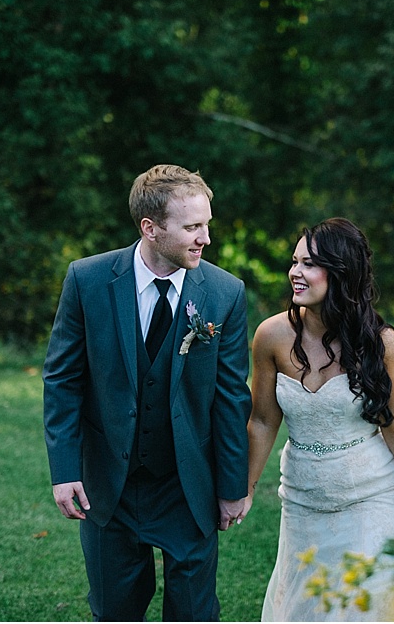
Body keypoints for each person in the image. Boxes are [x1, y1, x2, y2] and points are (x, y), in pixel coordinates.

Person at [42, 164, 252, 621]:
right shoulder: (88, 280)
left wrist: (233, 486)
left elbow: (233, 398)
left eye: (207, 225)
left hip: (187, 484)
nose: (205, 239)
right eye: (193, 227)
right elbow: (62, 380)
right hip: (108, 486)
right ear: (150, 228)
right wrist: (64, 470)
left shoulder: (225, 293)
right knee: (114, 611)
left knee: (195, 613)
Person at [243, 217, 394, 621]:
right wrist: (245, 489)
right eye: (294, 261)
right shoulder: (271, 336)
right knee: (308, 603)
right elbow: (263, 422)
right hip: (303, 496)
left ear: (341, 272)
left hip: (374, 493)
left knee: (368, 604)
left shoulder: (380, 342)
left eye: (308, 264)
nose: (294, 273)